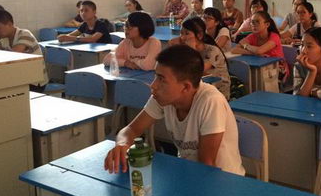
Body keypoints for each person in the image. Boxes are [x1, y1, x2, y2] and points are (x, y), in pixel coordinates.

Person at [104, 44, 244, 176]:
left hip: (222, 180)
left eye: (161, 79)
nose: (153, 85)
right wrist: (122, 144)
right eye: (155, 76)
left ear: (186, 87)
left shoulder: (211, 101)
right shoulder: (163, 97)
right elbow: (131, 130)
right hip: (186, 172)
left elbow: (206, 166)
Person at [168, 17, 230, 99]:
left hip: (217, 93)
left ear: (199, 35)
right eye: (181, 33)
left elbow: (196, 71)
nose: (182, 37)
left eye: (187, 33)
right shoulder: (185, 49)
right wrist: (173, 49)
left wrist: (191, 50)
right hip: (198, 88)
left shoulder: (212, 51)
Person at [231, 11, 289, 80]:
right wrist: (253, 53)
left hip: (277, 68)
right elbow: (234, 50)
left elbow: (259, 50)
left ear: (267, 24)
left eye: (257, 22)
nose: (254, 25)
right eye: (252, 22)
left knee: (255, 78)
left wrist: (246, 45)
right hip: (259, 66)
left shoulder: (274, 36)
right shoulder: (252, 36)